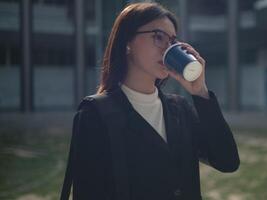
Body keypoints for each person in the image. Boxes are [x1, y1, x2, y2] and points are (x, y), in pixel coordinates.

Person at [60, 2, 239, 200]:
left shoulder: (180, 110)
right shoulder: (96, 114)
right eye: (158, 37)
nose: (167, 49)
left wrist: (200, 92)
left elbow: (227, 161)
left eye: (172, 41)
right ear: (128, 41)